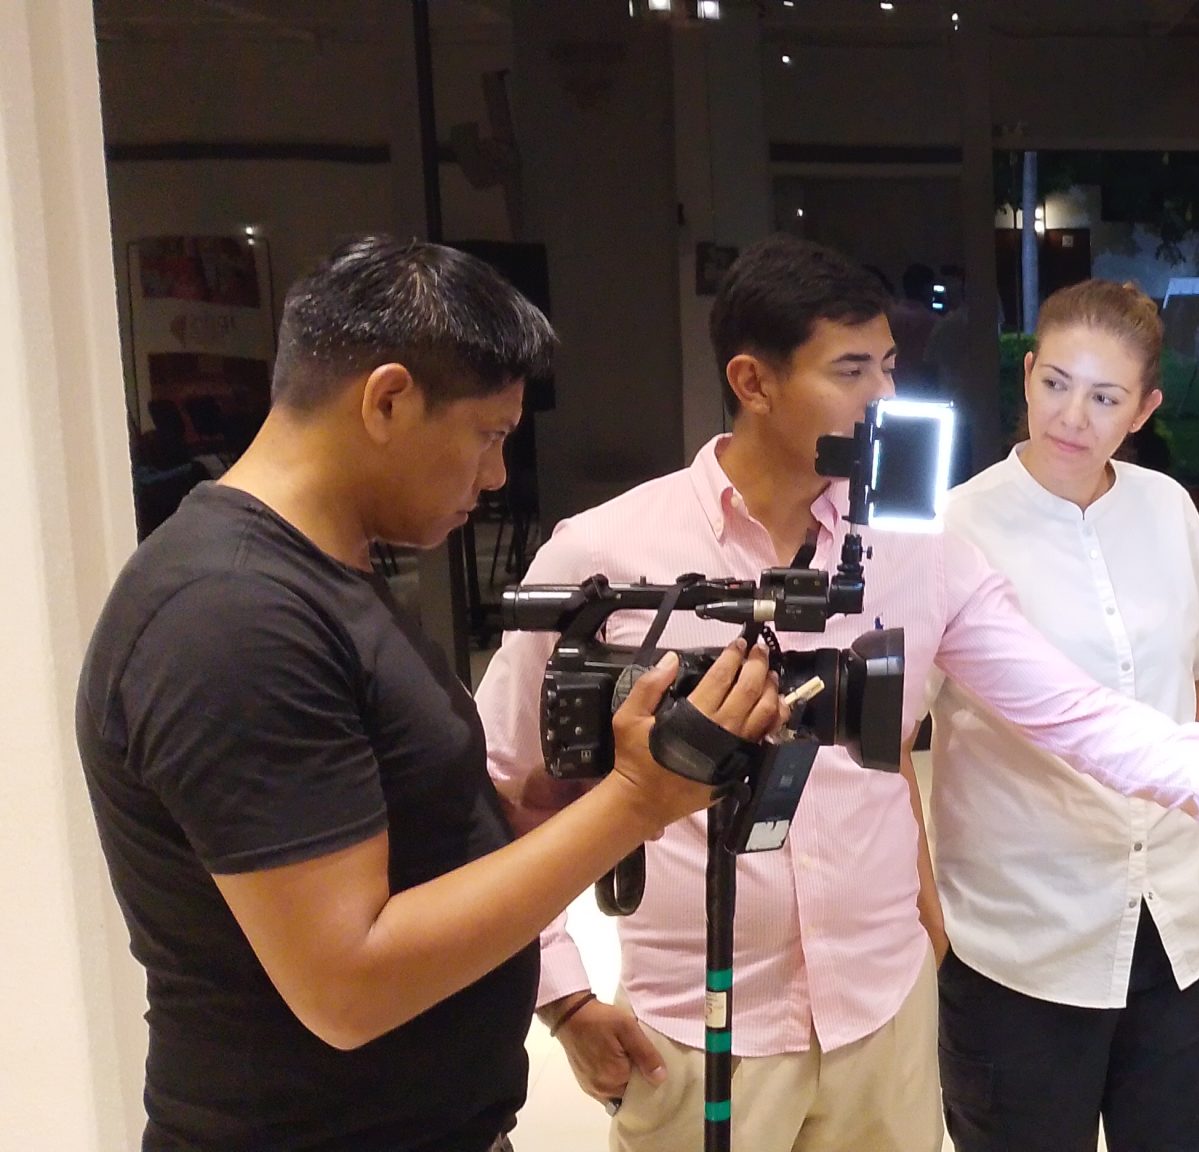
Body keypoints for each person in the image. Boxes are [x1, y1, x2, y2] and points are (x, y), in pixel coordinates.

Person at [478, 236, 1199, 1152]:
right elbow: (503, 788)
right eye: (851, 370)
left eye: (890, 366)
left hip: (881, 1021)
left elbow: (1074, 710)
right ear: (753, 381)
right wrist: (562, 993)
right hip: (703, 1021)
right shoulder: (610, 554)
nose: (885, 398)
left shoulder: (913, 549)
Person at [76, 236, 781, 1152]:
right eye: (489, 436)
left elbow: (410, 840)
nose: (495, 477)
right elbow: (349, 986)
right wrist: (637, 802)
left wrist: (540, 827)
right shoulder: (233, 616)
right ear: (388, 400)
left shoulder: (328, 574)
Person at [932, 280, 1199, 1151]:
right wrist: (929, 920)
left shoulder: (1167, 508)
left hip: (1187, 918)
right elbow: (887, 743)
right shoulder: (957, 526)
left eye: (1106, 397)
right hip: (1027, 934)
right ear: (1027, 373)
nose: (1072, 417)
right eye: (1055, 383)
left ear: (1144, 409)